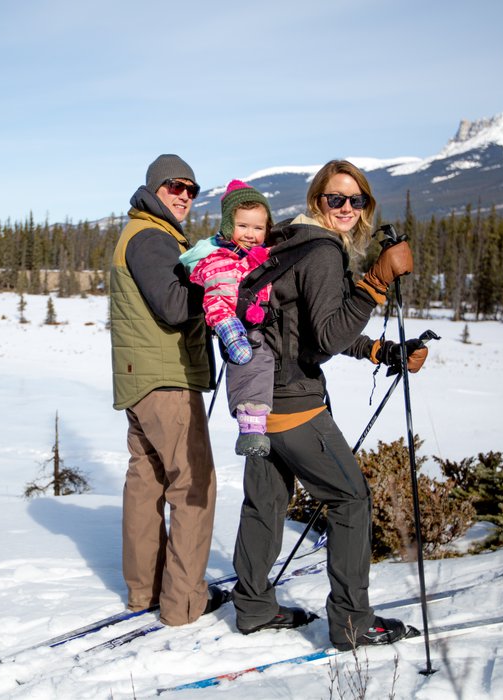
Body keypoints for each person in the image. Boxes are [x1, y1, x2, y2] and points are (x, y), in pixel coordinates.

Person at [230, 160, 429, 651]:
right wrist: (376, 283)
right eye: (334, 198)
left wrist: (379, 351)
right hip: (296, 404)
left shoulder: (287, 242)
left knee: (266, 502)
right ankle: (352, 623)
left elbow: (307, 327)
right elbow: (326, 335)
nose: (345, 208)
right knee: (349, 499)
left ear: (366, 207)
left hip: (256, 401)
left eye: (355, 200)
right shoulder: (321, 252)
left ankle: (254, 606)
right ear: (317, 200)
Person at [109, 154, 228, 627]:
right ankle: (182, 603)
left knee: (146, 484)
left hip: (141, 380)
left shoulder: (142, 233)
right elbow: (176, 306)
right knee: (193, 485)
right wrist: (216, 279)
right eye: (174, 186)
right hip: (166, 382)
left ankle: (146, 592)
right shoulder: (151, 237)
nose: (183, 195)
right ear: (155, 188)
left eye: (191, 189)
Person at [180, 179, 275, 458]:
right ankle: (251, 426)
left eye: (258, 228)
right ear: (228, 227)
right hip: (236, 324)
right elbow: (216, 297)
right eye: (243, 226)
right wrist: (228, 326)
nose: (250, 234)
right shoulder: (221, 259)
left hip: (261, 320)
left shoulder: (260, 256)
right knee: (251, 356)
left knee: (261, 354)